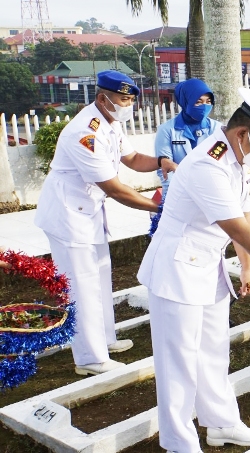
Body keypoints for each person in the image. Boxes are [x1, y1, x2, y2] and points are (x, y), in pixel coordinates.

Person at [138, 87, 250, 452]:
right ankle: (179, 443)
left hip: (207, 265)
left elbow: (242, 211)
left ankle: (221, 424)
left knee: (214, 352)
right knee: (179, 362)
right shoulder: (208, 164)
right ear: (241, 135)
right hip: (176, 270)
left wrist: (248, 267)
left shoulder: (236, 159)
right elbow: (238, 229)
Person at [34, 71, 177, 376]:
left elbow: (134, 158)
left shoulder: (110, 122)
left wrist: (161, 160)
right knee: (80, 286)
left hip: (88, 212)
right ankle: (89, 359)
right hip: (68, 216)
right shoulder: (84, 133)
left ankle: (105, 341)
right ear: (103, 98)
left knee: (99, 276)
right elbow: (113, 188)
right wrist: (158, 207)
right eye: (124, 99)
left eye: (130, 100)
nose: (129, 106)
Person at [154, 78, 222, 199]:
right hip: (180, 193)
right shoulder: (166, 130)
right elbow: (165, 170)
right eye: (198, 102)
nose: (204, 106)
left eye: (208, 101)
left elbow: (221, 163)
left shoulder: (217, 129)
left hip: (212, 191)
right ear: (185, 102)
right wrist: (172, 197)